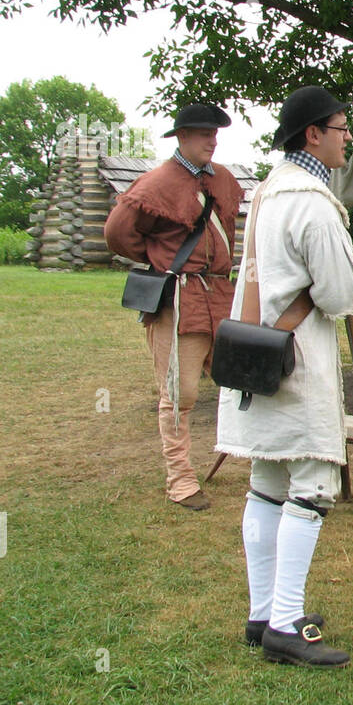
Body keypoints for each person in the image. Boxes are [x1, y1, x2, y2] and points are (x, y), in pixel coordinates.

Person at [215, 86, 353, 666]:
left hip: (260, 356)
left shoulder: (269, 190)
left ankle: (263, 615)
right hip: (297, 362)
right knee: (311, 485)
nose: (346, 137)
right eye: (340, 127)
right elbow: (336, 293)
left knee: (267, 484)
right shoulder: (311, 201)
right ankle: (284, 624)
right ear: (313, 134)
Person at [104, 104, 243, 511]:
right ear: (182, 136)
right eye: (203, 133)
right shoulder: (156, 182)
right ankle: (181, 480)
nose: (212, 140)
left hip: (220, 295)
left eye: (215, 133)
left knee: (242, 382)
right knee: (178, 392)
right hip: (180, 298)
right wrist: (160, 259)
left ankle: (263, 467)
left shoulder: (225, 179)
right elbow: (117, 234)